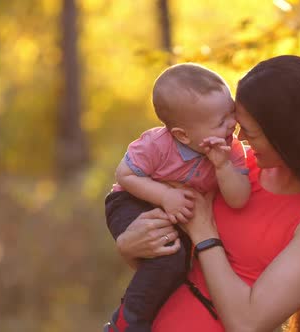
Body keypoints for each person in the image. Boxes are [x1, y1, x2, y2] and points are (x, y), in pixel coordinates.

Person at [111, 55, 300, 332]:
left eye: (250, 132)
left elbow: (247, 323)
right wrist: (129, 246)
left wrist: (205, 232)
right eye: (236, 125)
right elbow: (175, 264)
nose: (239, 138)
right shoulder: (235, 166)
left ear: (288, 138)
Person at [104, 63, 251, 332]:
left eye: (231, 112)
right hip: (132, 201)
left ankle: (156, 314)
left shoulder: (230, 149)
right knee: (168, 256)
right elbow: (125, 175)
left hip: (179, 214)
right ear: (183, 135)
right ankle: (127, 321)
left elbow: (238, 199)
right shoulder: (156, 145)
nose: (232, 124)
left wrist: (223, 167)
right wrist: (165, 195)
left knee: (180, 262)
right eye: (221, 122)